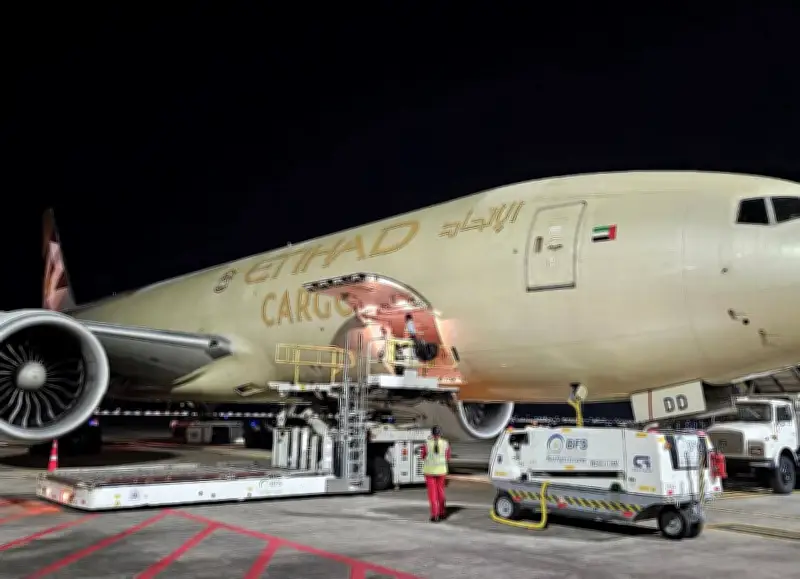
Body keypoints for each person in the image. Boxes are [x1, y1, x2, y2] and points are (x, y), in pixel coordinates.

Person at [419, 425, 450, 522]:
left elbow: (423, 456)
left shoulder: (427, 444)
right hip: (441, 472)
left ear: (432, 433)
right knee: (441, 492)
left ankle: (435, 515)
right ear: (441, 433)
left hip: (430, 472)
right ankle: (442, 513)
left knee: (433, 494)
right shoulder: (445, 443)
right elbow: (447, 457)